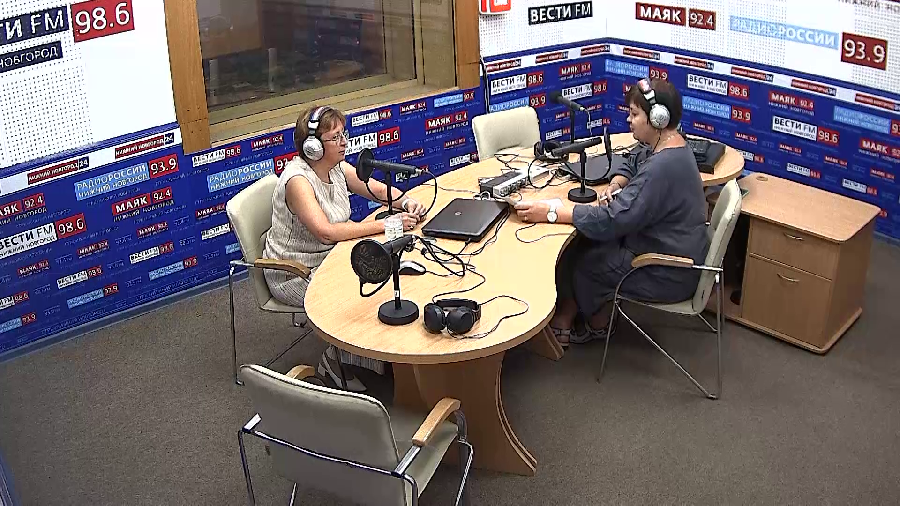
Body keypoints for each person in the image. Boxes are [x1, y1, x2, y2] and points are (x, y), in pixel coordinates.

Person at [514, 78, 709, 345]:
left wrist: (553, 211)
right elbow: (634, 158)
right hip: (670, 251)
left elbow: (613, 219)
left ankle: (599, 325)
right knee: (584, 244)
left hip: (666, 270)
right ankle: (574, 314)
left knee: (585, 265)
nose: (629, 120)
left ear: (657, 119)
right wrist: (618, 182)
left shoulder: (661, 168)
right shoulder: (671, 146)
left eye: (634, 114)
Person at [262, 105, 426, 391]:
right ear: (313, 147)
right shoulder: (298, 181)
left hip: (331, 256)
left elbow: (375, 189)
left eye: (343, 134)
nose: (344, 142)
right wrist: (385, 225)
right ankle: (336, 361)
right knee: (361, 289)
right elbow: (326, 233)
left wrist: (405, 201)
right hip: (295, 272)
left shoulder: (336, 167)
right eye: (335, 137)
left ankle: (378, 354)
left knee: (388, 266)